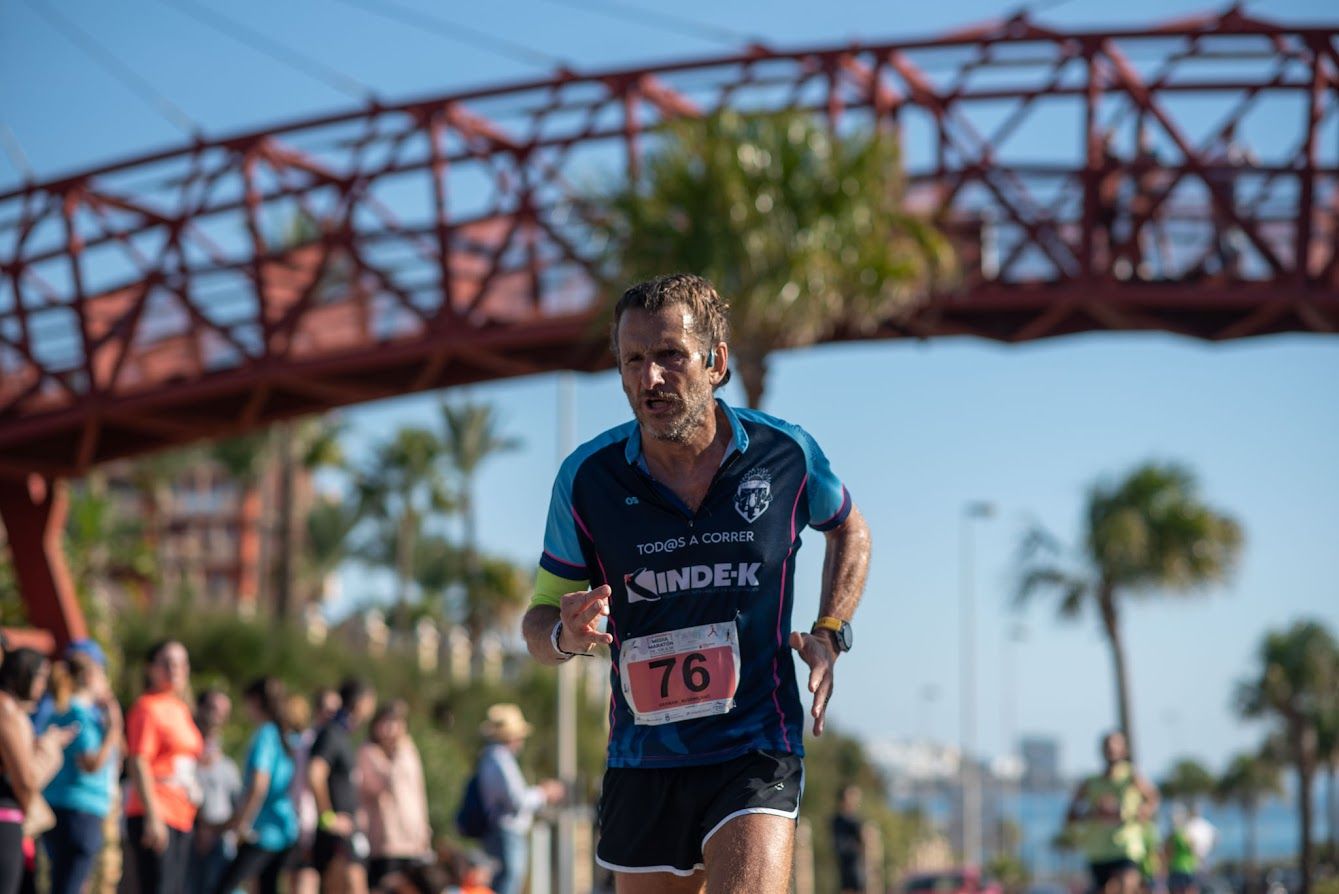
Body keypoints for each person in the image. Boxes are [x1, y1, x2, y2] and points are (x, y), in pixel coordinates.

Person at [521, 273, 872, 893]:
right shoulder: (586, 479)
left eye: (669, 356)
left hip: (755, 748)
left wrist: (831, 628)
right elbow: (538, 622)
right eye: (633, 361)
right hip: (642, 760)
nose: (649, 379)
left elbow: (849, 530)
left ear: (717, 363)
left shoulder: (785, 455)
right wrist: (566, 636)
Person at [125, 639, 205, 894]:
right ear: (152, 668)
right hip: (157, 810)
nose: (175, 669)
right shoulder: (147, 708)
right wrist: (152, 816)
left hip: (182, 813)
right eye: (168, 663)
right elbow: (138, 760)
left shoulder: (181, 708)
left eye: (181, 663)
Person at [42, 645, 123, 894]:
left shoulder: (63, 709)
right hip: (80, 810)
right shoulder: (79, 712)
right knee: (71, 884)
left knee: (63, 881)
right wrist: (114, 730)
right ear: (90, 677)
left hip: (65, 807)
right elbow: (91, 763)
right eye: (102, 675)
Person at [211, 677, 300, 894]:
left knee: (225, 887)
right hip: (285, 828)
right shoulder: (286, 735)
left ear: (255, 701)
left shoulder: (265, 735)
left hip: (263, 831)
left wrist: (242, 824)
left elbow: (259, 784)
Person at [0, 648, 78, 894]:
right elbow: (26, 780)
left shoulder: (14, 710)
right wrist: (49, 746)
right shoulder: (6, 709)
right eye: (41, 676)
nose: (43, 685)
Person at [473, 704, 562, 894]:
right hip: (507, 832)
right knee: (507, 885)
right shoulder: (500, 759)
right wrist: (543, 793)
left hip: (501, 832)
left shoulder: (491, 757)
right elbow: (517, 800)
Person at [1066, 731, 1160, 894]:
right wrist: (1093, 814)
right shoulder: (1091, 782)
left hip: (1126, 847)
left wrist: (1141, 812)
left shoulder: (1132, 777)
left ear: (1124, 750)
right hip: (1098, 850)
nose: (1111, 749)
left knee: (1126, 884)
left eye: (1115, 745)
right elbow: (1071, 814)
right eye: (1108, 746)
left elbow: (1153, 799)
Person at [309, 677, 376, 894]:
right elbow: (315, 773)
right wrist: (327, 816)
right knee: (353, 884)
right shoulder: (332, 734)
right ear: (360, 702)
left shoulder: (345, 736)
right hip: (336, 832)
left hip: (349, 829)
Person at [357, 700, 431, 887]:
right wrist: (397, 751)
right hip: (385, 839)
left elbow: (418, 792)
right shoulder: (369, 752)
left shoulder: (408, 751)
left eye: (395, 723)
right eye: (386, 723)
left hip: (411, 836)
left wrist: (424, 828)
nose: (390, 729)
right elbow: (388, 781)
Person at [190, 687, 242, 894]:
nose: (217, 716)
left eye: (223, 712)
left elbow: (237, 805)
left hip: (220, 845)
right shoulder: (185, 753)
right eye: (213, 708)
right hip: (188, 840)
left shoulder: (228, 766)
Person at [1165, 805, 1217, 894]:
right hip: (1184, 868)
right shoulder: (1183, 834)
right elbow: (1193, 849)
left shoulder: (1176, 835)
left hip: (1181, 868)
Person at [831, 785, 865, 894]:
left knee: (856, 885)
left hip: (854, 859)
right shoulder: (840, 819)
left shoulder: (854, 819)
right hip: (846, 860)